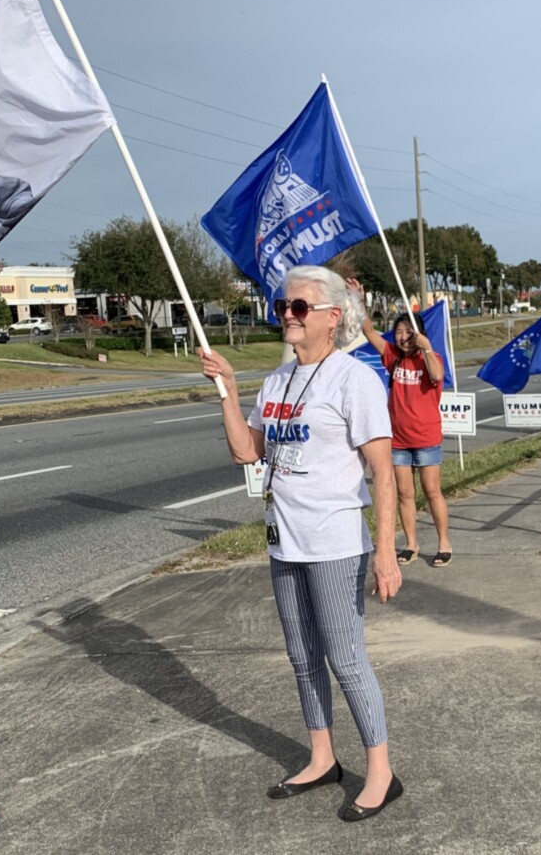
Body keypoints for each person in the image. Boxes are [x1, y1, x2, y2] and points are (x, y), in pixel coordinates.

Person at [199, 265, 403, 822]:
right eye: (283, 306)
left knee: (345, 655)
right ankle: (321, 758)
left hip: (336, 542)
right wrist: (229, 390)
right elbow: (248, 452)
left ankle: (381, 771)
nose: (286, 315)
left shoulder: (353, 379)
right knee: (302, 656)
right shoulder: (277, 382)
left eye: (299, 307)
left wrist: (385, 552)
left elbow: (382, 471)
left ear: (333, 318)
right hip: (284, 541)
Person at [347, 282, 452, 568]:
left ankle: (444, 543)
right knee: (405, 493)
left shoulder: (430, 358)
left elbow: (437, 374)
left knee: (432, 491)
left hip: (427, 437)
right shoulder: (393, 356)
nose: (403, 336)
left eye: (409, 332)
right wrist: (359, 302)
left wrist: (427, 348)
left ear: (419, 335)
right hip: (398, 440)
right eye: (399, 331)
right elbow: (368, 331)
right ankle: (411, 544)